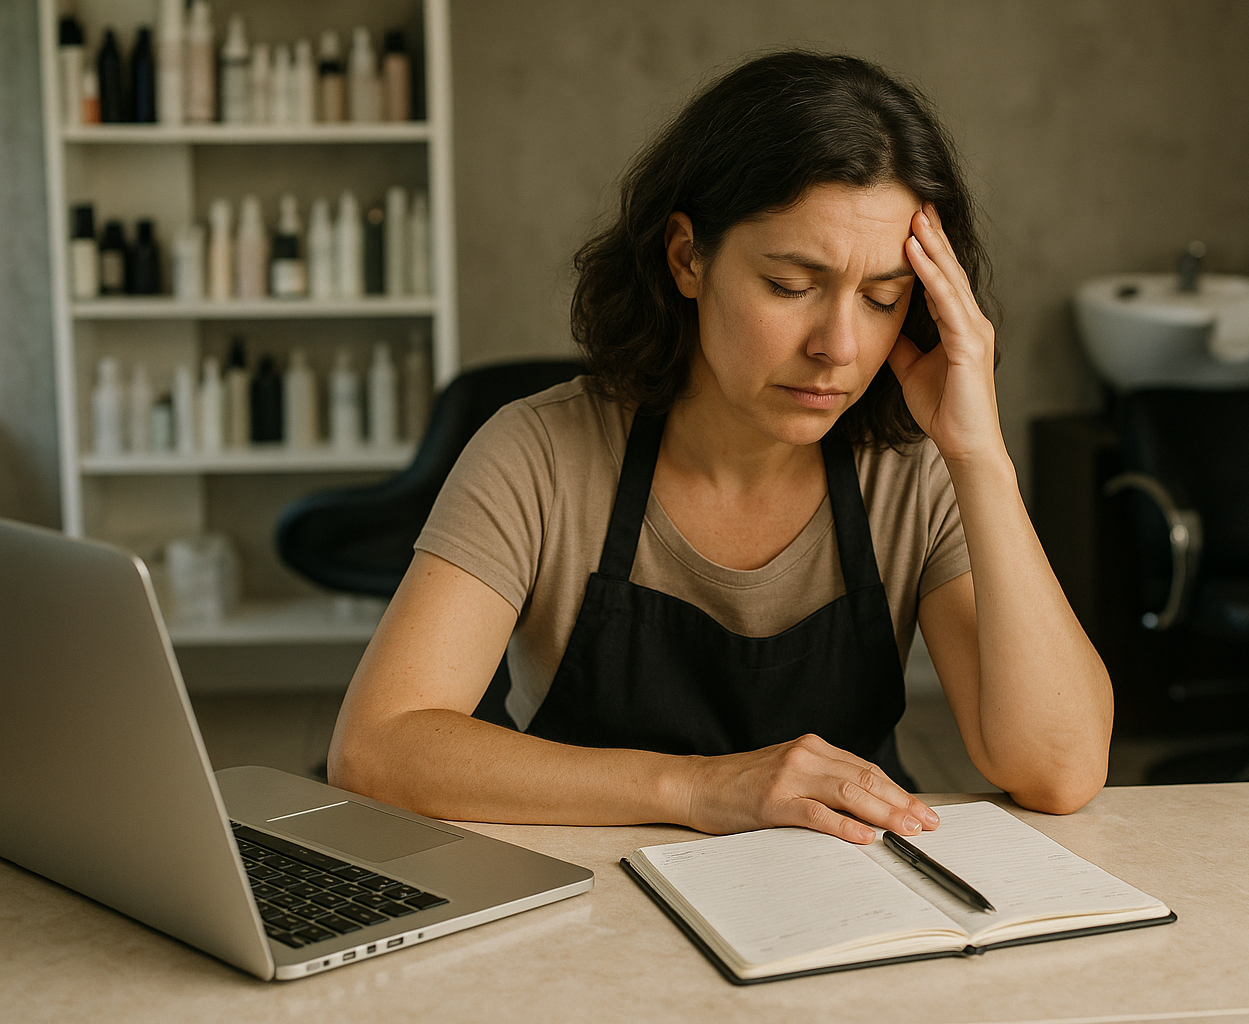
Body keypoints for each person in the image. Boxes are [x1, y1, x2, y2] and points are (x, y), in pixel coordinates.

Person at [329, 51, 1112, 845]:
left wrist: (980, 458)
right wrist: (699, 788)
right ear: (687, 258)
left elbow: (1059, 771)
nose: (839, 346)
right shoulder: (537, 455)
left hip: (852, 910)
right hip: (591, 911)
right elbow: (377, 747)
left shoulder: (916, 473)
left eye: (882, 298)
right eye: (790, 286)